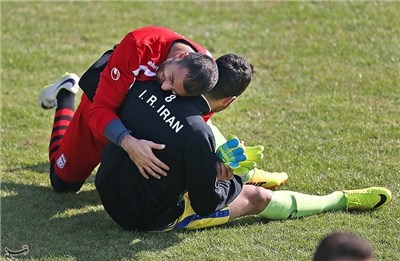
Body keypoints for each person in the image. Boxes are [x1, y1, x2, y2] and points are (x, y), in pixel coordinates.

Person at [94, 54, 393, 231]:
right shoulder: (198, 134)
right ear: (229, 100)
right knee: (255, 197)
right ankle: (338, 200)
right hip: (141, 217)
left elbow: (163, 131)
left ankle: (252, 175)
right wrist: (232, 180)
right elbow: (206, 203)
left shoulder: (148, 84)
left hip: (107, 187)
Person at [39, 26, 287, 193]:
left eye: (175, 91)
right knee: (63, 184)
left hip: (139, 127)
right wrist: (128, 142)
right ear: (179, 58)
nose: (165, 86)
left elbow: (186, 128)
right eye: (167, 77)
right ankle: (65, 94)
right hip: (102, 109)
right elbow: (101, 109)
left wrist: (212, 166)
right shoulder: (138, 46)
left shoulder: (202, 77)